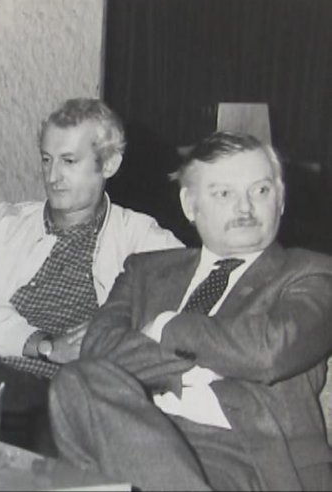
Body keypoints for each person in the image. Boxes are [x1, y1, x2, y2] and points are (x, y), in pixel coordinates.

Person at [0, 98, 182, 454]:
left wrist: (107, 339)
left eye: (69, 161)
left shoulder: (144, 239)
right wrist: (44, 345)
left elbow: (185, 308)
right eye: (47, 159)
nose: (52, 176)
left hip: (71, 391)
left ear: (109, 164)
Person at [49, 131, 332, 490]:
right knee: (77, 380)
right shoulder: (145, 271)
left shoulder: (312, 274)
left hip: (247, 457)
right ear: (189, 204)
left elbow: (268, 351)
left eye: (260, 190)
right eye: (224, 194)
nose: (245, 208)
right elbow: (98, 349)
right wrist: (200, 367)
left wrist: (167, 327)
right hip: (131, 439)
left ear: (281, 198)